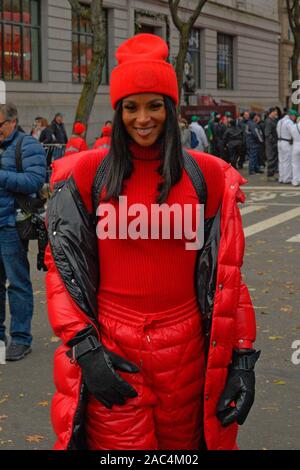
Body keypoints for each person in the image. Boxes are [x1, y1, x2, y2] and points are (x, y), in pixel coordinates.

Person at [45, 33, 259, 451]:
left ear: (171, 108)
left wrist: (243, 357)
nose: (142, 118)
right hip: (112, 348)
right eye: (131, 106)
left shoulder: (208, 176)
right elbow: (62, 270)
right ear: (119, 110)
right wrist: (85, 348)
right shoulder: (88, 174)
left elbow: (229, 275)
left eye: (154, 105)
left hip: (189, 355)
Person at [0, 103, 46, 360]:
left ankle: (21, 338)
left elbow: (34, 180)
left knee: (17, 283)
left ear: (12, 122)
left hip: (11, 224)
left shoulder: (28, 145)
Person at [277, 109, 297, 184]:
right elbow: (293, 132)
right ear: (292, 115)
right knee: (287, 161)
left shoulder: (280, 121)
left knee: (281, 161)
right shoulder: (289, 122)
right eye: (295, 116)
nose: (294, 118)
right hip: (286, 142)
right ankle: (287, 178)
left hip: (279, 141)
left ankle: (281, 177)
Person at [264, 107, 278, 181]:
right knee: (271, 159)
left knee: (273, 159)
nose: (276, 113)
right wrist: (273, 141)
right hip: (270, 144)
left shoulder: (273, 120)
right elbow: (267, 134)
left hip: (272, 143)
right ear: (271, 112)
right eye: (275, 112)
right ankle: (270, 175)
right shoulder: (269, 121)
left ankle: (272, 174)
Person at [291, 117, 300, 186]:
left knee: (295, 164)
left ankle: (295, 181)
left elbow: (291, 136)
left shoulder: (293, 126)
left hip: (295, 145)